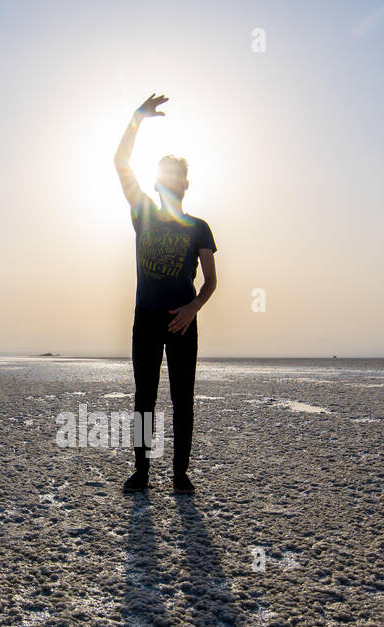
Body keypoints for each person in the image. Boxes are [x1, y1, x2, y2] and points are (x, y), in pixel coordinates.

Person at [113, 92, 217, 495]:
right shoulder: (143, 212)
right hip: (146, 318)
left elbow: (211, 281)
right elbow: (120, 163)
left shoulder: (199, 228)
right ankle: (141, 471)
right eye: (164, 175)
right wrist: (137, 118)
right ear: (157, 183)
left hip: (182, 321)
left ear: (185, 185)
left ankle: (180, 474)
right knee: (144, 399)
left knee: (183, 400)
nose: (170, 182)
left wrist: (192, 308)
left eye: (176, 176)